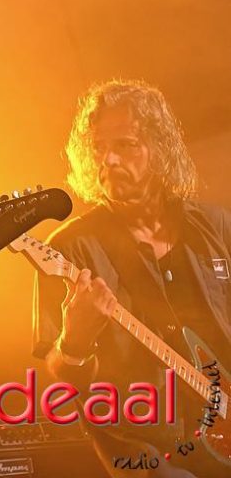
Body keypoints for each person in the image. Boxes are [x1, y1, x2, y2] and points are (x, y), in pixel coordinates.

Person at [33, 79, 231, 477]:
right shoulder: (69, 249)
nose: (108, 160)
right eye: (98, 148)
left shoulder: (215, 227)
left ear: (160, 149)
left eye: (125, 145)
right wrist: (75, 340)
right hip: (145, 445)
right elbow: (58, 373)